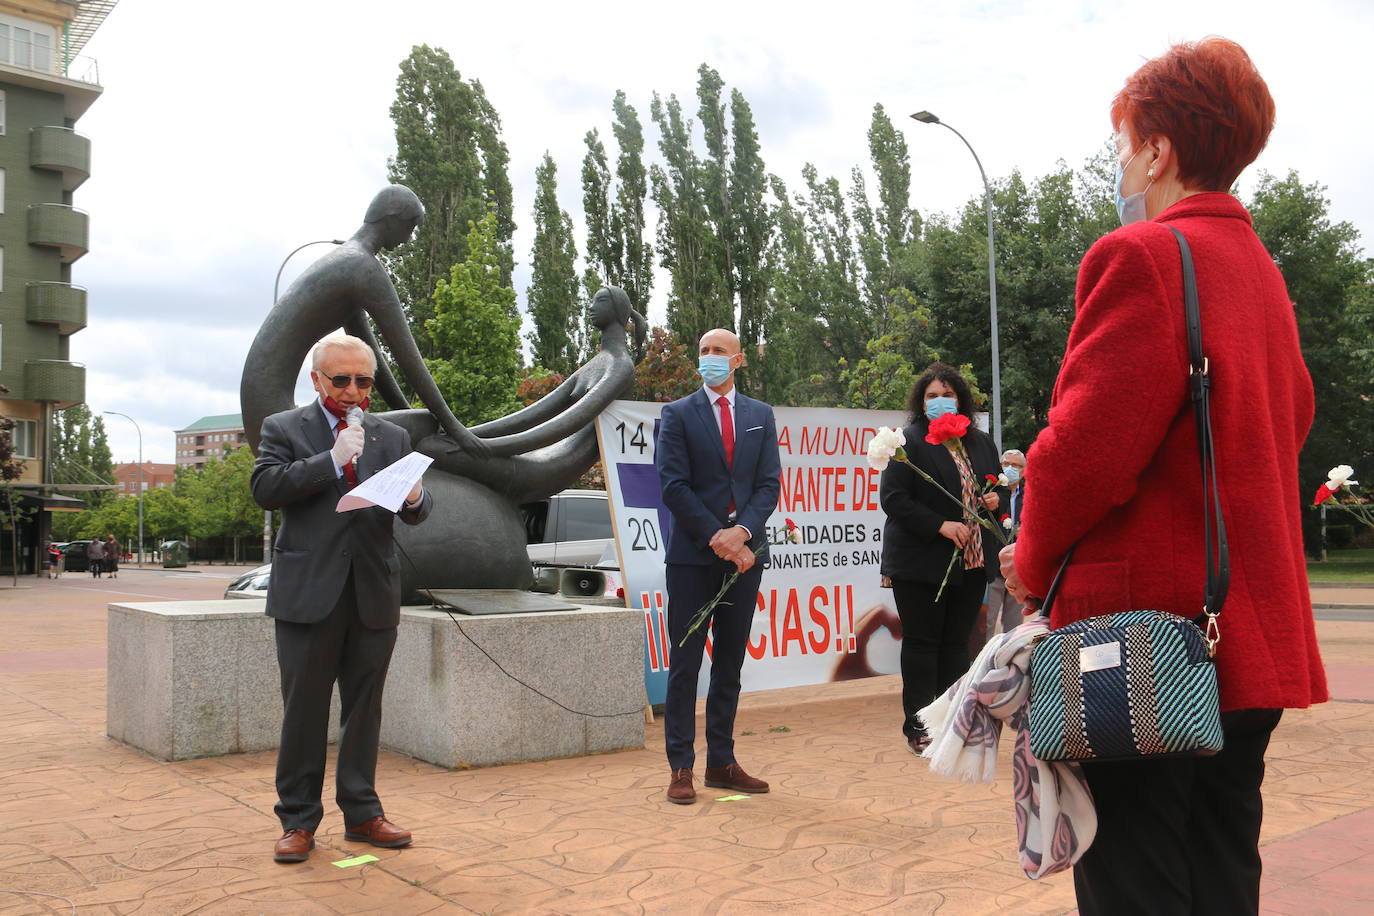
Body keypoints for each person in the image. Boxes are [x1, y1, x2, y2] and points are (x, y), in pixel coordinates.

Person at [1000, 38, 1328, 915]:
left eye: (1123, 144)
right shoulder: (1261, 274)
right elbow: (1289, 421)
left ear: (1159, 149)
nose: (1120, 163)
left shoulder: (1141, 255)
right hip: (1246, 643)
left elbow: (1081, 454)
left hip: (1145, 650)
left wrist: (1030, 563)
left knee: (1137, 884)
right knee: (1223, 871)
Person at [251, 333, 434, 864]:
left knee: (365, 709)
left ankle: (363, 814)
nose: (354, 392)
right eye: (342, 380)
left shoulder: (390, 435)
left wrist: (417, 496)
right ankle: (298, 820)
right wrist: (330, 461)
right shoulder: (285, 428)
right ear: (316, 379)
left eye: (364, 381)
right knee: (304, 711)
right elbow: (266, 488)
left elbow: (414, 510)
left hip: (372, 591)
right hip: (310, 594)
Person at [656, 328, 781, 805]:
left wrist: (742, 533)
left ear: (738, 360)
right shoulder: (678, 414)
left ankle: (722, 763)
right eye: (703, 351)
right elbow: (673, 485)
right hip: (692, 557)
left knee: (729, 662)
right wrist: (718, 537)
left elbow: (768, 485)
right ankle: (681, 767)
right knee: (686, 664)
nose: (709, 358)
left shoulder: (759, 416)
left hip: (746, 558)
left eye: (718, 352)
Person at [878, 363, 1002, 755]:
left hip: (973, 560)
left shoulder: (981, 443)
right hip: (920, 561)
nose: (940, 401)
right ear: (921, 402)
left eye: (947, 394)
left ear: (960, 399)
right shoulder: (909, 441)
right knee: (921, 644)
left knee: (956, 645)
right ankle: (919, 728)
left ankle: (954, 724)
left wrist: (995, 501)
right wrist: (941, 526)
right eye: (932, 396)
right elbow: (894, 499)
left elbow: (993, 489)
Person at [981, 449, 1026, 642]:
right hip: (993, 570)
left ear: (1024, 470)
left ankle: (1009, 667)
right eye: (1006, 464)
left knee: (1014, 627)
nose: (1010, 468)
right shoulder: (989, 494)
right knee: (986, 624)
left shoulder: (1031, 496)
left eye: (1016, 465)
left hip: (1019, 571)